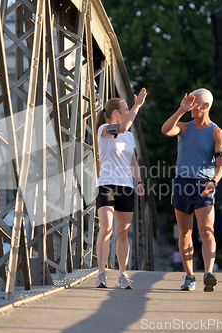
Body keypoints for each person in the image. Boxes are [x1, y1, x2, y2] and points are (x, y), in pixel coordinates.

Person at [161, 88, 222, 292]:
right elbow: (165, 130)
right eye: (187, 101)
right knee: (184, 232)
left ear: (206, 106)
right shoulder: (183, 127)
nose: (190, 106)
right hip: (182, 184)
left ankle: (209, 272)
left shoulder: (216, 132)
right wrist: (180, 110)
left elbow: (221, 164)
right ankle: (189, 276)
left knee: (206, 230)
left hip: (204, 185)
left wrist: (214, 181)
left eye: (193, 103)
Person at [94, 88, 147, 289]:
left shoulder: (129, 137)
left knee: (122, 233)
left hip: (126, 187)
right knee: (106, 229)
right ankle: (101, 273)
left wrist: (139, 181)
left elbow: (133, 162)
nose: (128, 110)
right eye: (126, 108)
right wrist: (137, 106)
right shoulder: (104, 130)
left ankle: (122, 274)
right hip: (106, 185)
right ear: (117, 112)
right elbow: (122, 128)